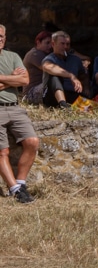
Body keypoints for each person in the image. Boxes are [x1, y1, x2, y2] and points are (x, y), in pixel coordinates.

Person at [0, 24, 37, 203]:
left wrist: (3, 79)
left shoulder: (12, 56)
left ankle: (21, 183)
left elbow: (25, 79)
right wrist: (11, 78)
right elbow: (18, 80)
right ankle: (14, 190)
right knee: (2, 151)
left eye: (1, 36)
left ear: (5, 38)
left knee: (32, 142)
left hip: (14, 107)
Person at [40, 31, 89, 108]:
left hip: (72, 94)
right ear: (53, 44)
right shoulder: (49, 59)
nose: (65, 47)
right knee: (54, 77)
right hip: (52, 96)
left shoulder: (75, 60)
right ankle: (63, 105)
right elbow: (48, 67)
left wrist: (86, 87)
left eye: (68, 44)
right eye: (62, 44)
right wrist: (71, 76)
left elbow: (83, 75)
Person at [21, 30, 51, 104]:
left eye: (52, 43)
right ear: (38, 42)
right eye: (47, 43)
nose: (50, 46)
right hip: (30, 93)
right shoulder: (35, 54)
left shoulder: (45, 53)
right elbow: (50, 69)